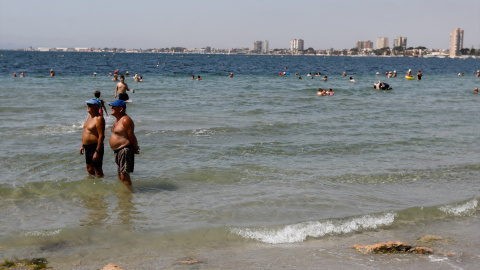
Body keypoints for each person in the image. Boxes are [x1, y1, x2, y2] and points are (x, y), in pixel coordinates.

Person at [109, 100, 139, 188]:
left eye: (114, 106)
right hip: (118, 151)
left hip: (124, 150)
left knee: (125, 175)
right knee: (120, 175)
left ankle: (128, 196)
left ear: (121, 109)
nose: (111, 108)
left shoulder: (126, 120)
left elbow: (131, 136)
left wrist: (136, 147)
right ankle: (123, 195)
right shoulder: (118, 119)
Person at [79, 98, 105, 177]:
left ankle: (101, 186)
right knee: (89, 168)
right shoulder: (90, 116)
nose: (88, 106)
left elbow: (101, 136)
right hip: (87, 147)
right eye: (87, 104)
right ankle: (93, 187)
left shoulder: (99, 118)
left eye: (90, 105)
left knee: (97, 169)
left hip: (95, 146)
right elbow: (86, 131)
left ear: (96, 107)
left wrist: (97, 151)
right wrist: (82, 145)